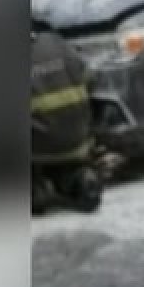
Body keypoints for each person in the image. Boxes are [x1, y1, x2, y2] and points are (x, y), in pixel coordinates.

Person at [30, 27, 102, 213]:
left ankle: (35, 189)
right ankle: (78, 180)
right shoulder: (55, 41)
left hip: (37, 149)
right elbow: (91, 80)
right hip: (78, 141)